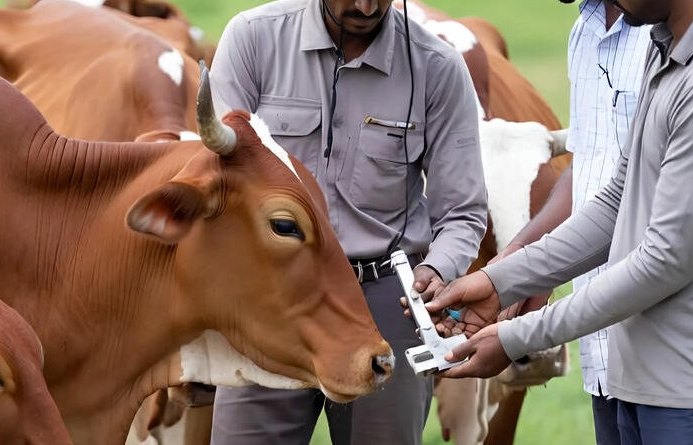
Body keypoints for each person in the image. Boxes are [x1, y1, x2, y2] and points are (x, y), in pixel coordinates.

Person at [427, 0, 693, 443]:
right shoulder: (668, 43)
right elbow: (616, 198)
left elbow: (666, 259)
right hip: (636, 374)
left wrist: (517, 336)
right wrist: (500, 280)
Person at [208, 0, 488, 444]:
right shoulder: (252, 38)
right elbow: (216, 180)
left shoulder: (438, 67)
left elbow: (463, 212)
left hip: (385, 300)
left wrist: (437, 270)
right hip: (269, 297)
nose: (365, 5)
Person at [485, 1, 650, 444]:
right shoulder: (586, 29)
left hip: (679, 354)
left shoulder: (681, 36)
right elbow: (594, 170)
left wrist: (522, 324)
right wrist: (515, 269)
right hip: (605, 349)